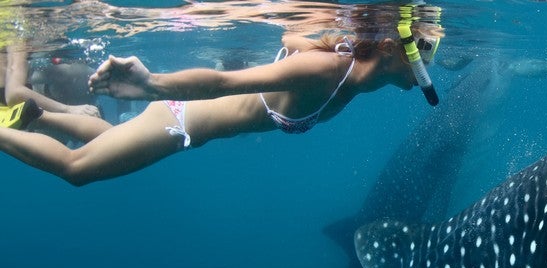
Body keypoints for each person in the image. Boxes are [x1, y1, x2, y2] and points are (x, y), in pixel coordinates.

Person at [0, 5, 443, 186]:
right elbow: (224, 83)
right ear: (391, 48)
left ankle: (35, 117)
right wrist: (152, 83)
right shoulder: (327, 71)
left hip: (184, 123)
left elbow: (290, 36)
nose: (428, 64)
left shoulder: (344, 66)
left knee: (104, 136)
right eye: (425, 51)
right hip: (179, 120)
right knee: (76, 168)